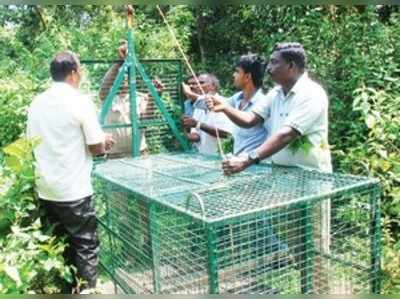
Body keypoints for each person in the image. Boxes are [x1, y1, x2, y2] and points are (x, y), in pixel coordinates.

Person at [27, 51, 114, 293]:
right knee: (85, 246)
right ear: (74, 74)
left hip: (46, 188)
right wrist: (105, 141)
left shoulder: (37, 102)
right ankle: (87, 292)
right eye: (80, 70)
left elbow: (31, 142)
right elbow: (95, 147)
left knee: (62, 244)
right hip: (73, 191)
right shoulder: (79, 101)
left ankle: (68, 290)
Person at [207, 42, 332, 174]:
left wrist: (247, 159)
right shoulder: (276, 93)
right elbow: (249, 119)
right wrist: (225, 108)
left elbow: (286, 135)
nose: (268, 68)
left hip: (310, 177)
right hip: (281, 174)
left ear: (290, 66)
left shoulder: (311, 93)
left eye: (274, 62)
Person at [99, 41, 165, 157]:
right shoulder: (107, 98)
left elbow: (145, 122)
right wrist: (120, 61)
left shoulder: (141, 97)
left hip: (140, 153)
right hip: (115, 156)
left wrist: (154, 97)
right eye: (119, 75)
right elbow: (104, 85)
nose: (122, 77)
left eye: (124, 75)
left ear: (130, 78)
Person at [195, 54, 269, 156]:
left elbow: (247, 120)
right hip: (239, 163)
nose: (234, 75)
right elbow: (210, 104)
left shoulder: (264, 102)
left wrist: (224, 108)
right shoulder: (237, 98)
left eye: (237, 72)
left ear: (247, 76)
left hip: (258, 165)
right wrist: (208, 100)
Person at [181, 73, 232, 155]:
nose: (197, 86)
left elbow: (226, 134)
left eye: (201, 83)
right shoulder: (198, 106)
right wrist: (181, 135)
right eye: (197, 83)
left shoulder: (223, 103)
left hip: (220, 157)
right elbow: (197, 136)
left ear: (213, 86)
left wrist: (198, 124)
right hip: (204, 158)